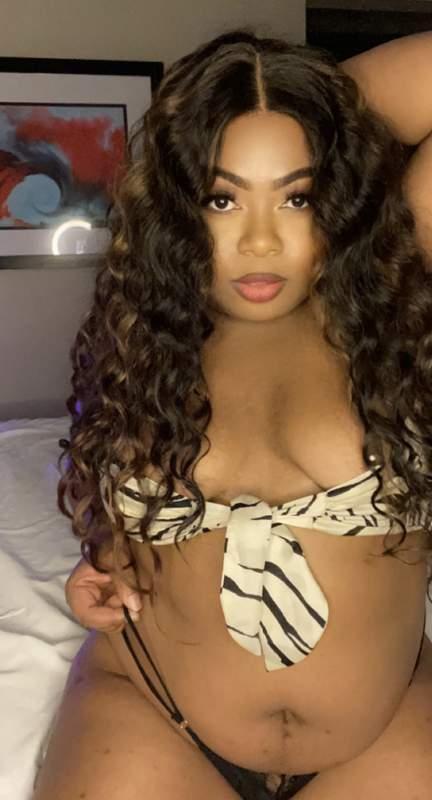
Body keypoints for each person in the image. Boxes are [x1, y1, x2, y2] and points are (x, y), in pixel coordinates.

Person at [33, 27, 432, 800]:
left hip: (383, 732)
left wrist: (300, 101)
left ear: (340, 195)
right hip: (152, 715)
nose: (259, 241)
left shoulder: (397, 304)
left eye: (297, 196)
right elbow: (119, 498)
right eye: (222, 197)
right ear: (180, 203)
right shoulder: (145, 338)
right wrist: (107, 556)